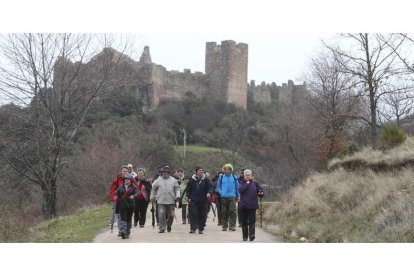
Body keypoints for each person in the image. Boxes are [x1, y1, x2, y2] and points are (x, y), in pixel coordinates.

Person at [150, 166, 180, 233]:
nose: (164, 173)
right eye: (163, 172)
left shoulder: (173, 180)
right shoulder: (158, 180)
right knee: (161, 214)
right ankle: (162, 228)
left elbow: (177, 188)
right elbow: (154, 189)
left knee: (171, 215)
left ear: (168, 173)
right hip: (161, 200)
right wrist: (152, 197)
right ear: (162, 173)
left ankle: (169, 224)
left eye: (166, 172)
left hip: (171, 200)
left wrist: (177, 196)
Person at [109, 165, 138, 235]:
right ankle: (121, 230)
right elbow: (113, 190)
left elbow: (137, 189)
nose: (125, 172)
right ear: (121, 172)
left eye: (126, 171)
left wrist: (134, 196)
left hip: (129, 202)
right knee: (120, 216)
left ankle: (126, 230)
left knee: (127, 217)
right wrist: (113, 198)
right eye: (124, 171)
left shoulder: (132, 179)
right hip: (120, 202)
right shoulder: (117, 179)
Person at [238, 169, 264, 241]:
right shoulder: (242, 183)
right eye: (246, 175)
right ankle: (245, 236)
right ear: (244, 176)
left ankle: (252, 235)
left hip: (252, 205)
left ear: (251, 175)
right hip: (244, 205)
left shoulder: (255, 183)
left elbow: (260, 190)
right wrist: (247, 183)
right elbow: (241, 190)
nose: (248, 176)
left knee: (252, 221)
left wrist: (260, 193)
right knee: (244, 221)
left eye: (249, 175)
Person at [187, 166, 212, 234]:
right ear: (196, 172)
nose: (201, 171)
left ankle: (201, 229)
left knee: (203, 215)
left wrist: (209, 192)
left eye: (202, 170)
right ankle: (193, 228)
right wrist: (188, 197)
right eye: (200, 170)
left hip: (203, 200)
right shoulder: (192, 180)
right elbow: (188, 190)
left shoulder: (206, 179)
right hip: (193, 200)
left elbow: (210, 187)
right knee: (193, 214)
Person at [114, 173, 138, 239]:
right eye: (126, 179)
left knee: (128, 219)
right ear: (124, 180)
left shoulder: (134, 187)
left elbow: (137, 193)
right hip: (122, 206)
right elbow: (116, 193)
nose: (127, 180)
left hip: (130, 206)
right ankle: (123, 231)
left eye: (128, 179)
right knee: (123, 218)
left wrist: (134, 196)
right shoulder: (120, 187)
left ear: (130, 180)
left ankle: (127, 231)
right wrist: (115, 196)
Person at [216, 163, 239, 231]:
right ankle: (224, 226)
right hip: (224, 196)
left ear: (231, 170)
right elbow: (218, 187)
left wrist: (238, 196)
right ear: (224, 170)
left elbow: (237, 187)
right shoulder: (221, 177)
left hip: (232, 196)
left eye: (229, 169)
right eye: (226, 169)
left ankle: (232, 226)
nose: (227, 171)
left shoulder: (235, 177)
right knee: (224, 211)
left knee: (233, 211)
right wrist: (221, 192)